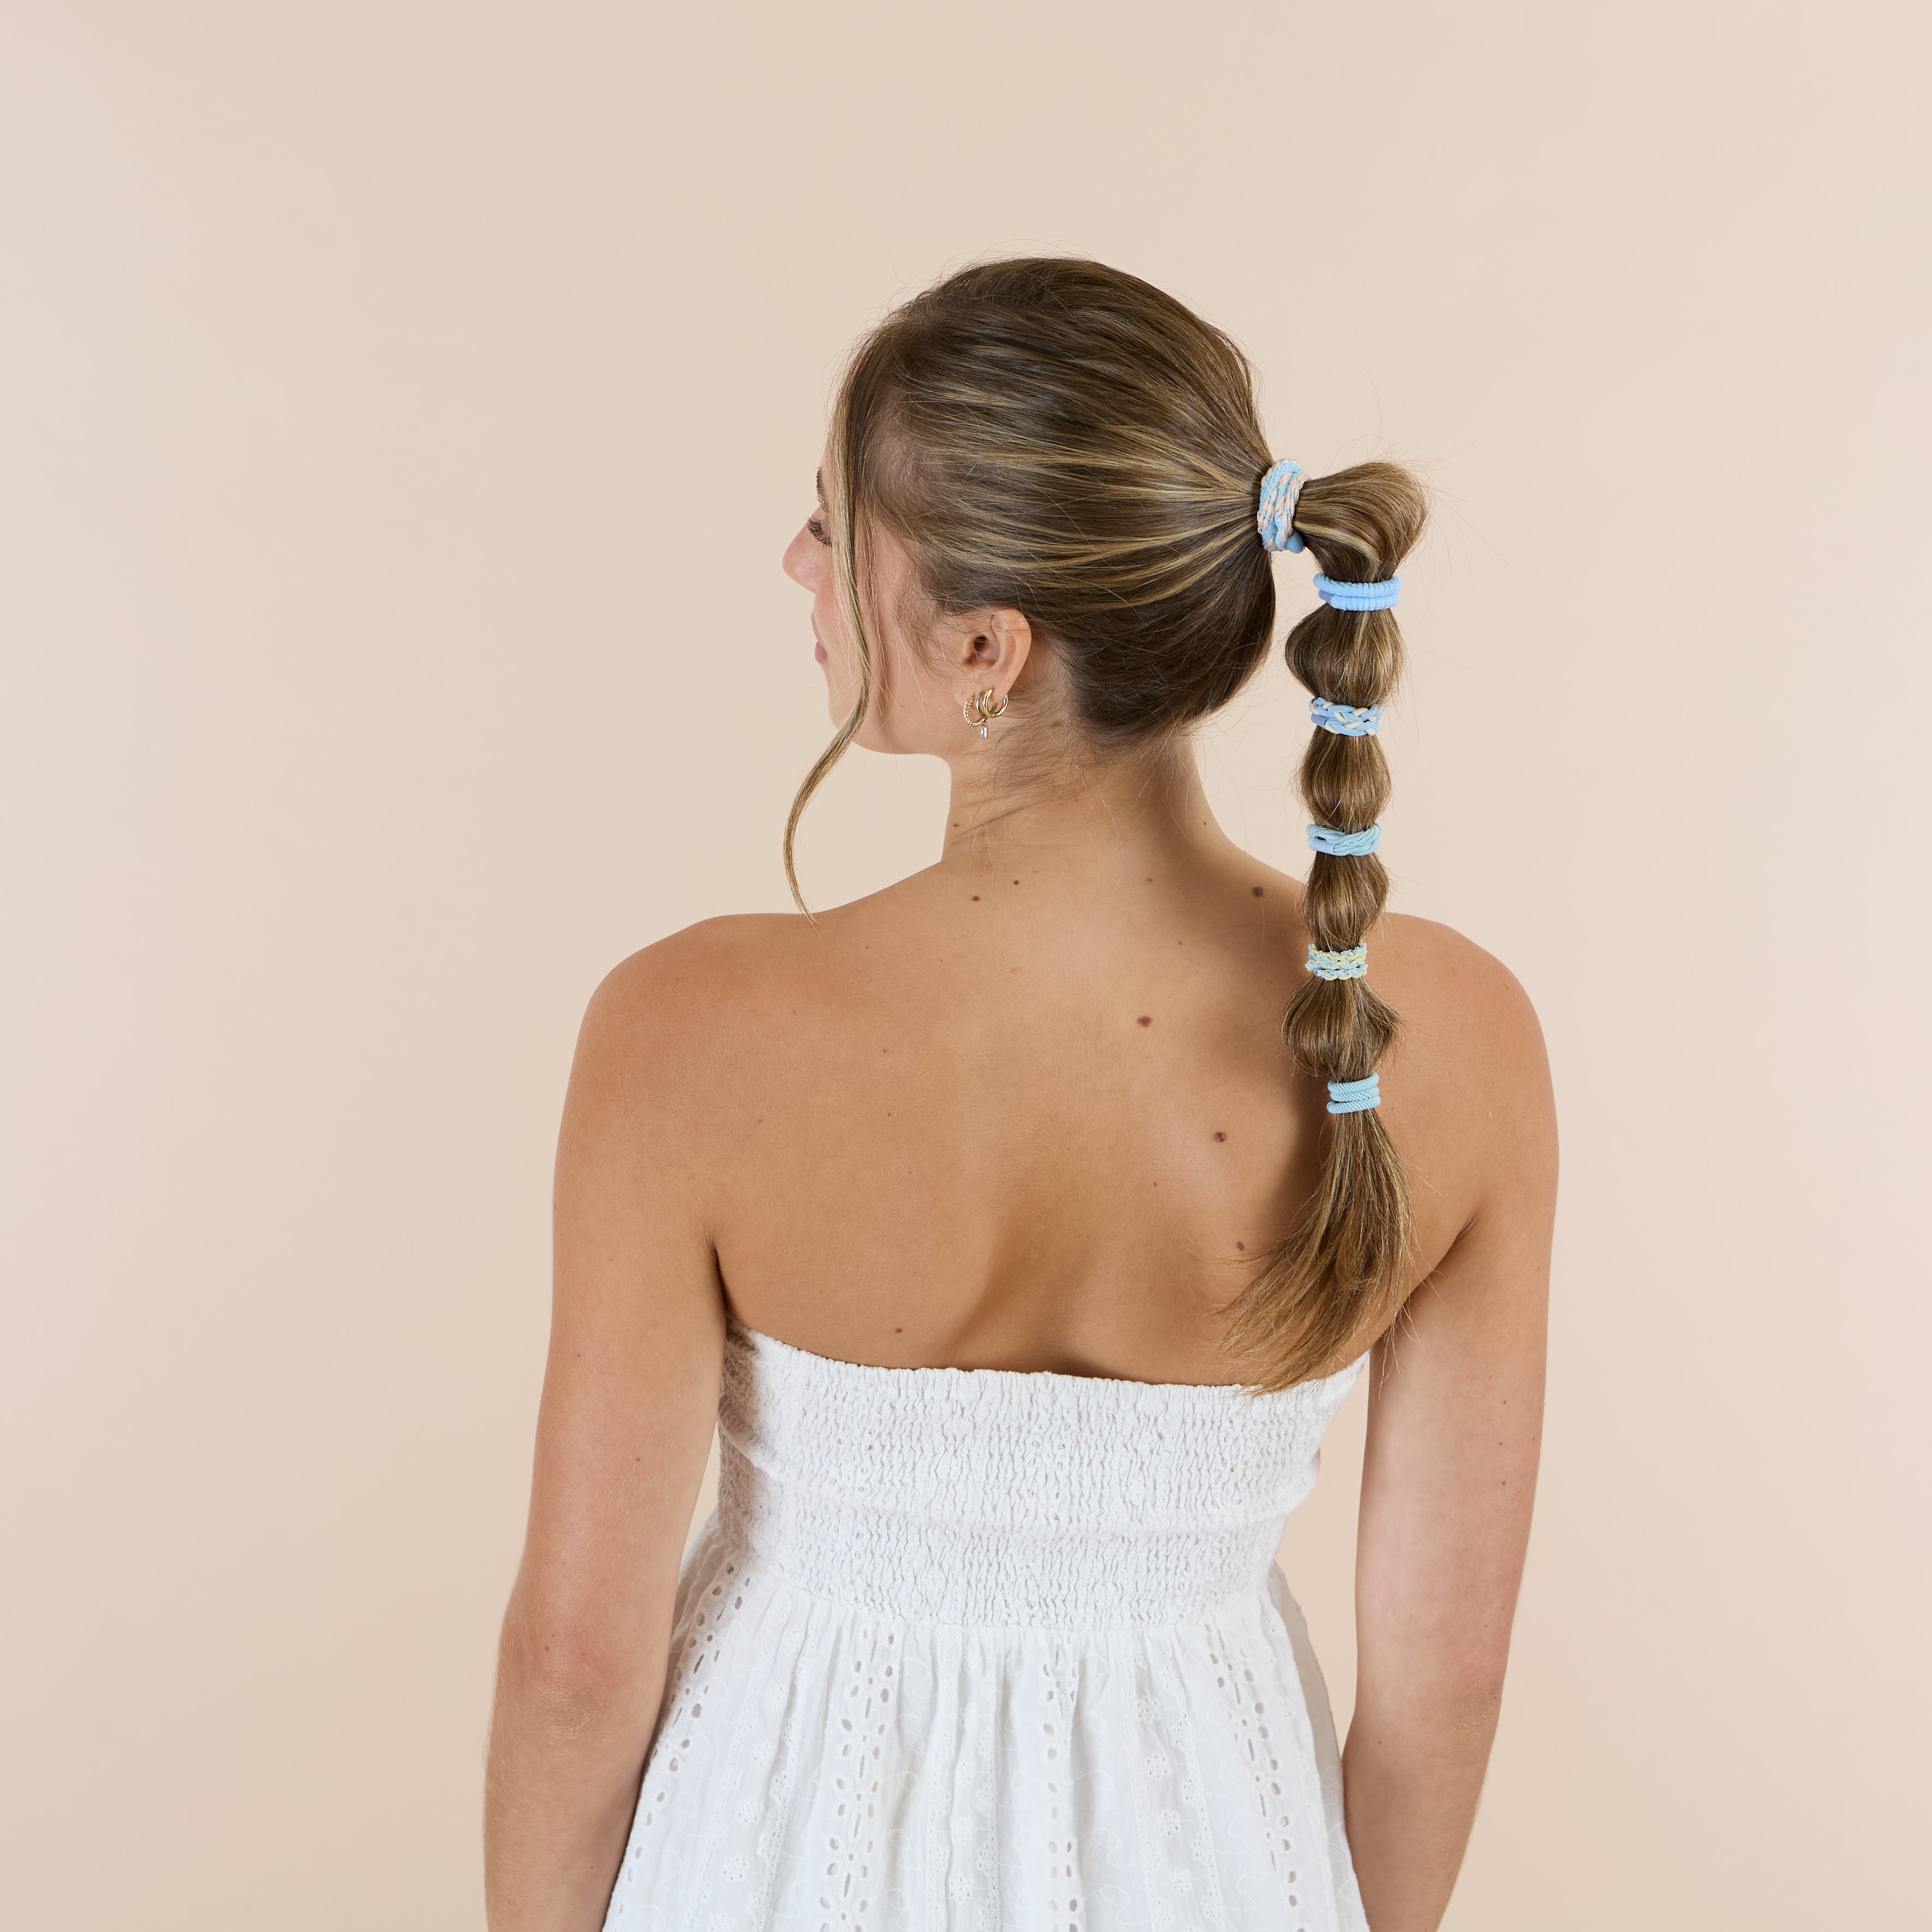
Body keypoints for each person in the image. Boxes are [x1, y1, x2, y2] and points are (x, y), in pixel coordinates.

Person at [483, 257, 1556, 1932]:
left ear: (986, 647)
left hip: (775, 1859)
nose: (796, 563)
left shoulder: (691, 1032)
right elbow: (1444, 1683)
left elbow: (575, 1660)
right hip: (1217, 1863)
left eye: (829, 523)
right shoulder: (1458, 1036)